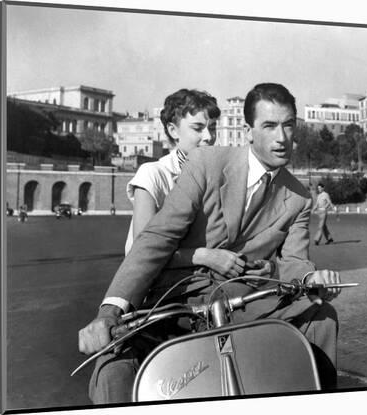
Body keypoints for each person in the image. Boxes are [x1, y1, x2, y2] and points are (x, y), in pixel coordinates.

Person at [79, 83, 342, 403]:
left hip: (248, 300)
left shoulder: (299, 197)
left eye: (288, 125)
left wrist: (310, 279)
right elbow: (156, 238)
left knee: (322, 318)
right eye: (270, 126)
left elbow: (295, 261)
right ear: (248, 131)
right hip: (180, 299)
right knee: (113, 366)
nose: (282, 137)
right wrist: (109, 311)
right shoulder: (206, 162)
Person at [124, 88, 220, 256]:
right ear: (173, 130)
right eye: (198, 128)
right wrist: (204, 257)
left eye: (212, 128)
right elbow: (142, 252)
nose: (209, 137)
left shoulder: (219, 175)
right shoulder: (153, 174)